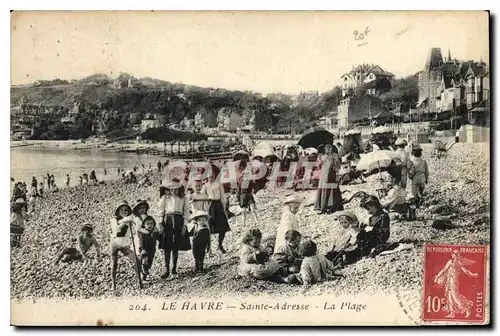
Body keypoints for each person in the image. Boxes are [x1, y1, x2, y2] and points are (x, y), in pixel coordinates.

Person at [157, 180, 191, 279]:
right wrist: (160, 222)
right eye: (171, 189)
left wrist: (184, 225)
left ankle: (174, 268)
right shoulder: (165, 198)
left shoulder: (184, 198)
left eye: (176, 189)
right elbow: (161, 211)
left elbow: (186, 213)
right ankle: (166, 268)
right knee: (167, 245)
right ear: (168, 189)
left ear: (179, 188)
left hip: (178, 221)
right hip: (167, 221)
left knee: (175, 246)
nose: (174, 191)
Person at [433, 250, 478, 318]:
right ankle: (452, 313)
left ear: (457, 255)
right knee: (449, 296)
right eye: (452, 254)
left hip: (454, 282)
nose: (452, 255)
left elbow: (466, 271)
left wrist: (473, 275)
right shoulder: (450, 261)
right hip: (448, 281)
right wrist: (437, 277)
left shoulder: (459, 263)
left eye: (454, 254)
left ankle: (467, 308)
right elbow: (444, 269)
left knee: (455, 296)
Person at [110, 201, 141, 290]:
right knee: (114, 263)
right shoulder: (114, 219)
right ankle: (113, 283)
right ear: (118, 211)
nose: (124, 212)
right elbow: (116, 230)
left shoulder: (130, 219)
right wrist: (125, 221)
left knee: (137, 261)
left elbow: (137, 225)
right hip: (114, 243)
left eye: (126, 210)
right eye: (122, 210)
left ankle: (139, 280)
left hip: (124, 245)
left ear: (128, 211)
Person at [201, 173, 231, 253]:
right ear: (207, 177)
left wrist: (225, 207)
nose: (211, 178)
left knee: (223, 227)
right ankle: (208, 248)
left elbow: (223, 196)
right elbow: (202, 197)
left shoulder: (218, 184)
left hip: (218, 205)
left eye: (212, 176)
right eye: (209, 176)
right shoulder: (205, 186)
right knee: (209, 228)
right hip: (210, 206)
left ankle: (220, 245)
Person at [314, 144, 344, 215]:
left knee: (332, 191)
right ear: (324, 149)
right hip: (324, 176)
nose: (328, 149)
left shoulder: (335, 155)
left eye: (330, 147)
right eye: (326, 148)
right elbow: (318, 166)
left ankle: (332, 207)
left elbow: (338, 166)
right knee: (324, 190)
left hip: (332, 175)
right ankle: (323, 208)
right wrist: (320, 161)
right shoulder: (322, 156)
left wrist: (334, 166)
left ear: (332, 148)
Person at [137, 216, 161, 281]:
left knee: (149, 262)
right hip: (144, 249)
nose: (150, 225)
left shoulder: (154, 232)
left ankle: (145, 273)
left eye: (151, 224)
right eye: (147, 224)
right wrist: (142, 249)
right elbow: (141, 241)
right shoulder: (143, 233)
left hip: (152, 250)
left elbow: (159, 238)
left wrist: (159, 233)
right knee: (145, 259)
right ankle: (143, 270)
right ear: (144, 225)